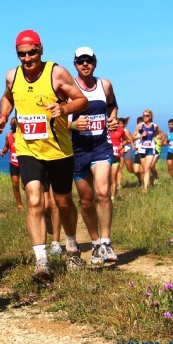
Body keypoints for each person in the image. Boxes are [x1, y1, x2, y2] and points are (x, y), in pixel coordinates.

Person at [0, 30, 88, 280]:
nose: (27, 58)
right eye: (21, 53)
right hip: (27, 148)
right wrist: (2, 117)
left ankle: (72, 247)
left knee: (63, 201)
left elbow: (82, 100)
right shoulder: (12, 76)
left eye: (32, 52)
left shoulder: (56, 73)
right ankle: (41, 261)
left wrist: (64, 107)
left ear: (41, 50)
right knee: (34, 199)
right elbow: (8, 97)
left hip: (58, 150)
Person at [70, 47, 118, 266]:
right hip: (78, 150)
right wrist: (72, 124)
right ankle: (96, 243)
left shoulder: (104, 85)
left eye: (88, 61)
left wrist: (113, 118)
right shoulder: (67, 88)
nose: (85, 64)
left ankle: (107, 242)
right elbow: (55, 117)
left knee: (103, 191)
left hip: (101, 147)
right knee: (87, 200)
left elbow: (112, 105)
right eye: (81, 61)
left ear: (95, 63)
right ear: (75, 64)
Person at [132, 109, 163, 193]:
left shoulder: (154, 126)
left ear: (150, 116)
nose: (145, 117)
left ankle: (145, 188)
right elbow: (132, 137)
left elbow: (159, 134)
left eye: (147, 116)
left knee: (146, 169)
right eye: (144, 116)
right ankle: (143, 185)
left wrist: (160, 139)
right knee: (142, 170)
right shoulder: (140, 126)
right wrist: (141, 136)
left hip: (150, 149)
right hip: (142, 149)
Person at [0, 118, 24, 210]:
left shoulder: (22, 136)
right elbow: (6, 146)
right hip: (13, 162)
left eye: (13, 124)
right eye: (11, 125)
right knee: (15, 183)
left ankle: (32, 202)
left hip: (23, 162)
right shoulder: (8, 135)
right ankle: (19, 205)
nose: (12, 126)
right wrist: (3, 152)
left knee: (24, 186)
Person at [108, 116, 128, 199]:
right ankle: (107, 195)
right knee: (106, 177)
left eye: (116, 121)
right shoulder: (106, 130)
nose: (114, 123)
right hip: (106, 155)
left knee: (113, 177)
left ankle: (112, 198)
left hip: (116, 155)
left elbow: (126, 139)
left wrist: (122, 144)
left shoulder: (121, 130)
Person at [117, 117, 138, 187]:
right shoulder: (115, 131)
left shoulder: (126, 131)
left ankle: (140, 175)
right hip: (119, 151)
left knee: (130, 169)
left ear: (124, 124)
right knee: (119, 168)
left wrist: (124, 143)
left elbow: (131, 140)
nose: (119, 125)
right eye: (118, 123)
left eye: (121, 123)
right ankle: (118, 185)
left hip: (127, 150)